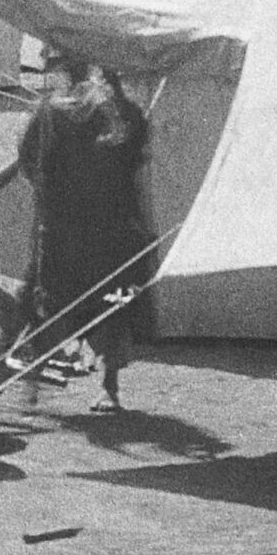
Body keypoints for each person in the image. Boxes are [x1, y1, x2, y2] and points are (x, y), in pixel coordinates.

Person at [21, 46, 163, 410]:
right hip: (92, 227)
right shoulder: (102, 113)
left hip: (85, 228)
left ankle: (51, 382)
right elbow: (32, 161)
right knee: (87, 300)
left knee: (79, 300)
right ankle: (94, 384)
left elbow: (32, 163)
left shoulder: (69, 112)